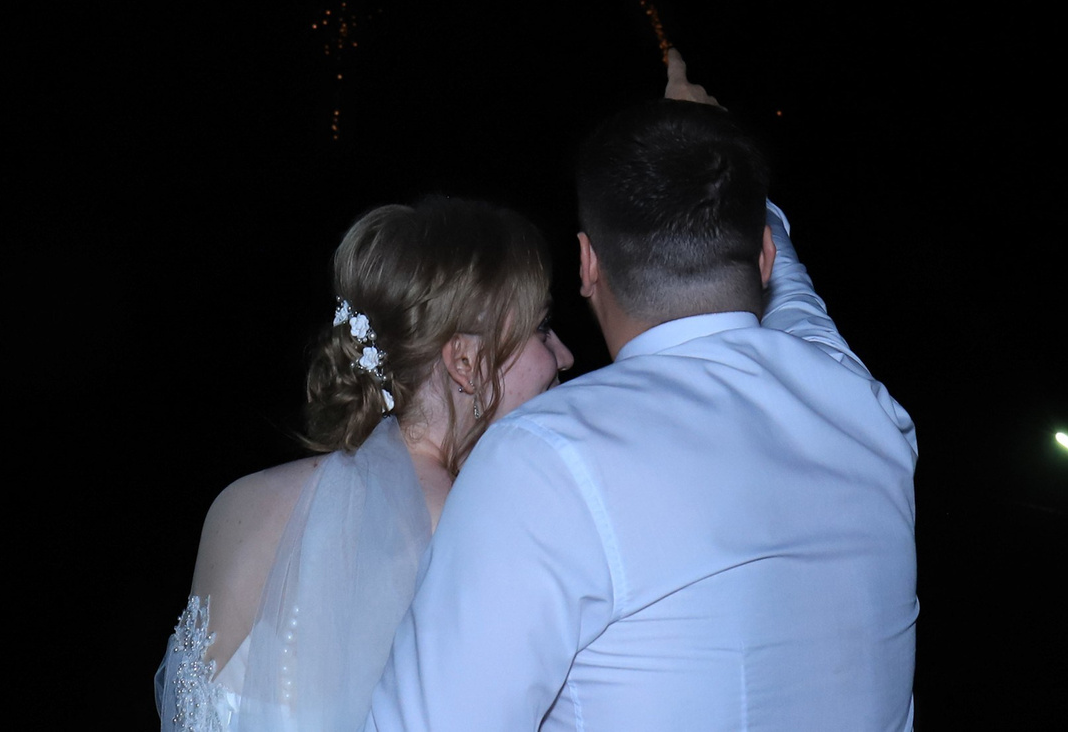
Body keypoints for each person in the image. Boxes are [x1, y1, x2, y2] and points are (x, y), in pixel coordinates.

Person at [365, 55, 919, 732]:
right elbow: (798, 303)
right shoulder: (867, 410)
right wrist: (725, 164)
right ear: (763, 255)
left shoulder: (545, 458)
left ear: (587, 264)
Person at [155, 195, 576, 732]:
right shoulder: (477, 523)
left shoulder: (236, 504)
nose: (564, 355)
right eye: (542, 328)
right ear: (465, 361)